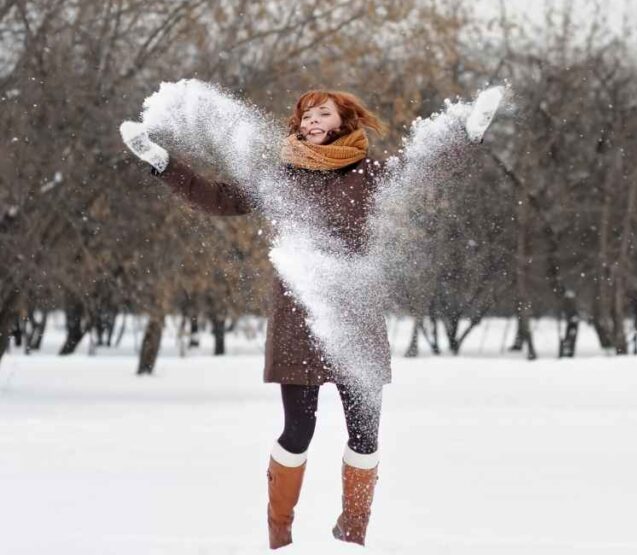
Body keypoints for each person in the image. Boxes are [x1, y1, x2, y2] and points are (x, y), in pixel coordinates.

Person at [120, 88, 500, 549]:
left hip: (355, 318)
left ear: (343, 122)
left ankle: (352, 532)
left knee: (365, 434)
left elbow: (421, 169)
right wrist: (162, 163)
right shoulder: (280, 177)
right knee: (298, 431)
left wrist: (467, 134)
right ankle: (280, 533)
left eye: (322, 113)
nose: (311, 120)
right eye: (305, 115)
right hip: (298, 318)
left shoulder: (369, 174)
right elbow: (217, 198)